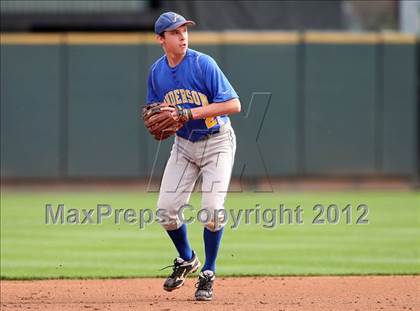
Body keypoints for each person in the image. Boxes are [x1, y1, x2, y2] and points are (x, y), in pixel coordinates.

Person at [146, 11, 241, 301]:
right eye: (174, 32)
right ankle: (187, 259)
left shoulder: (202, 64)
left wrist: (189, 113)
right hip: (184, 145)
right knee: (166, 211)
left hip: (217, 143)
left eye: (184, 30)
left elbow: (234, 104)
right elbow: (154, 108)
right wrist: (155, 115)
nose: (182, 36)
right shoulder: (157, 72)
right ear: (161, 39)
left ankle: (208, 272)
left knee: (212, 210)